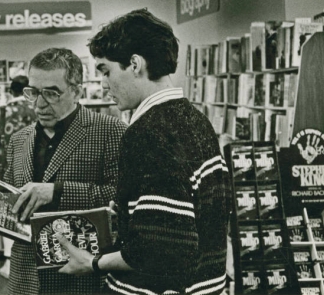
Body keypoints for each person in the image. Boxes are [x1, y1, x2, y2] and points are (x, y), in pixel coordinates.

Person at [55, 9, 231, 295]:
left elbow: (160, 250)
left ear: (135, 64)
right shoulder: (196, 120)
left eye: (105, 70)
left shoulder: (147, 132)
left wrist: (94, 262)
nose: (103, 83)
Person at [4, 48, 127, 294]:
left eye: (51, 93)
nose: (39, 104)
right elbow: (11, 196)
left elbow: (122, 197)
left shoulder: (111, 131)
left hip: (82, 278)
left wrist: (57, 192)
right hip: (26, 279)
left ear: (76, 91)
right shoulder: (18, 140)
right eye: (33, 92)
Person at [0, 75, 38, 279]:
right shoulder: (36, 110)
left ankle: (10, 262)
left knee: (7, 213)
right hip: (36, 169)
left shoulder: (2, 113)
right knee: (33, 210)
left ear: (11, 91)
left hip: (6, 168)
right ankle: (35, 261)